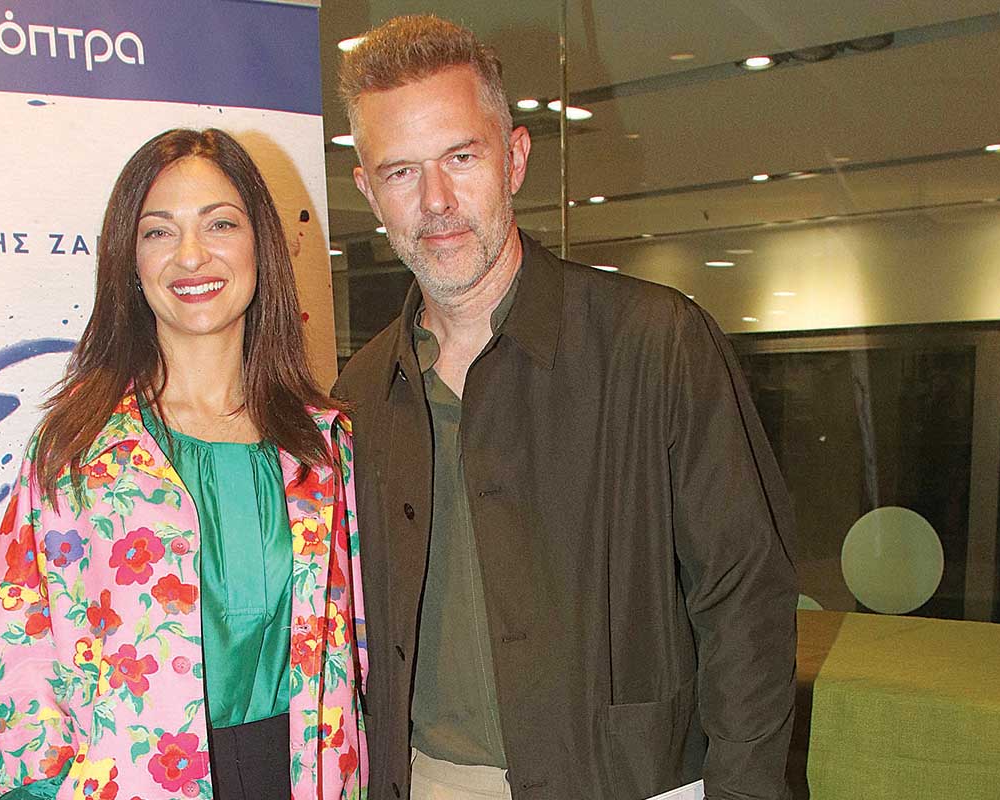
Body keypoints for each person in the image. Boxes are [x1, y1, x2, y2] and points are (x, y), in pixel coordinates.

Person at [333, 15, 796, 800]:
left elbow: (747, 601)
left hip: (627, 781)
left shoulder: (655, 344)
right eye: (402, 171)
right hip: (424, 782)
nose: (436, 201)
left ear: (514, 158)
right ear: (368, 191)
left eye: (460, 157)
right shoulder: (361, 392)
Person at [0, 128, 367, 800]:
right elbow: (2, 633)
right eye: (159, 232)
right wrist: (47, 783)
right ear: (131, 260)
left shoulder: (323, 448)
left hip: (303, 775)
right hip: (138, 779)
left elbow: (364, 640)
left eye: (220, 223)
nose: (191, 255)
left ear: (261, 243)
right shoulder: (81, 448)